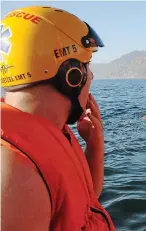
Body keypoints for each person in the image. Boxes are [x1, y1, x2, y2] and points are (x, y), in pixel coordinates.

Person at [1, 6, 116, 230]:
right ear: (71, 75)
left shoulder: (50, 130)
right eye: (87, 65)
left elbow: (87, 199)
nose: (90, 75)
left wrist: (94, 145)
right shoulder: (13, 173)